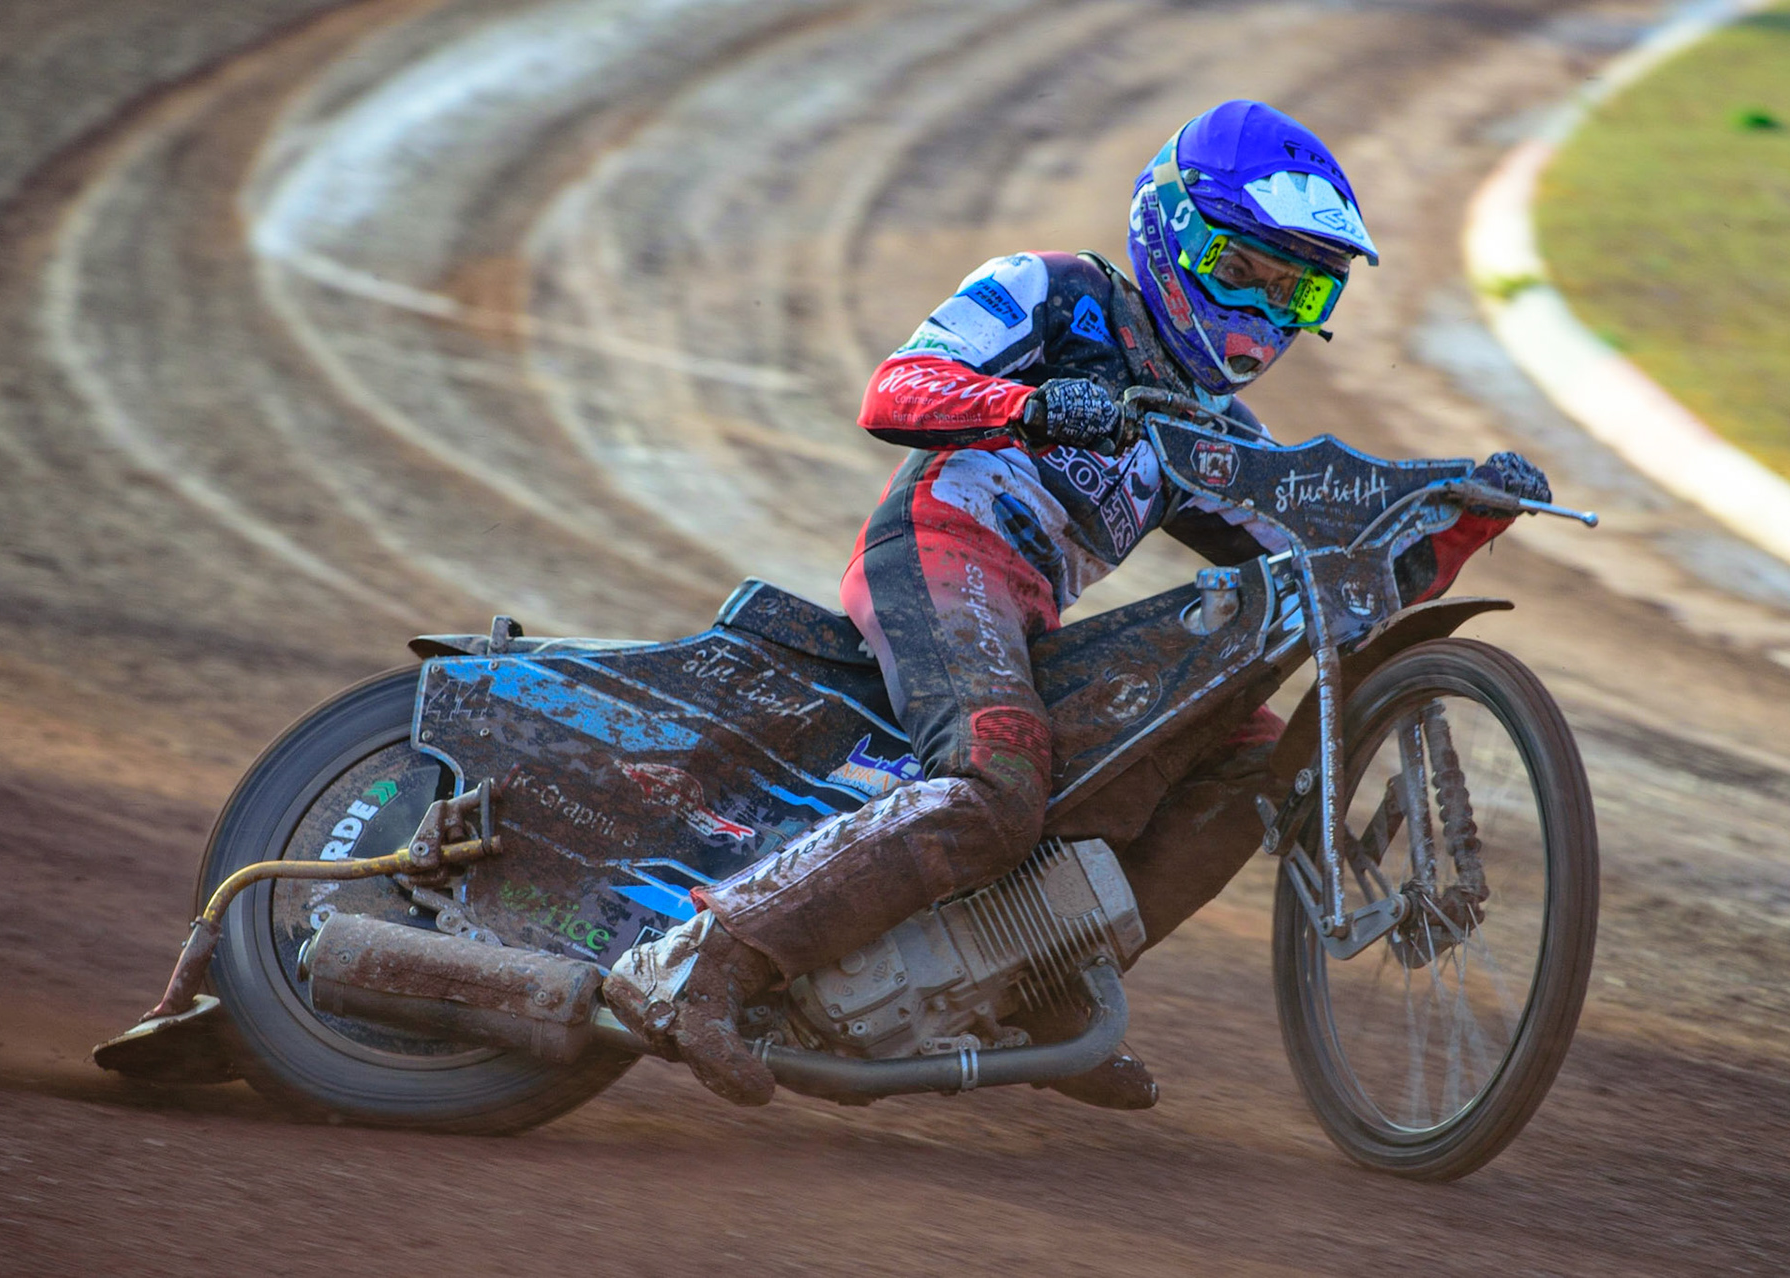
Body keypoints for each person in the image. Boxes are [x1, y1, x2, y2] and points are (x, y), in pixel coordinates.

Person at [604, 100, 1550, 1108]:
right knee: (995, 782)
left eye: (1297, 291)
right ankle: (707, 962)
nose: (1265, 316)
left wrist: (1460, 521)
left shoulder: (1213, 426)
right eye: (1243, 275)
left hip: (1034, 614)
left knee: (1251, 767)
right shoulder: (1053, 292)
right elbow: (895, 390)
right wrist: (1030, 403)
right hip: (940, 546)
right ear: (1172, 231)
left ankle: (1040, 993)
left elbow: (1336, 572)